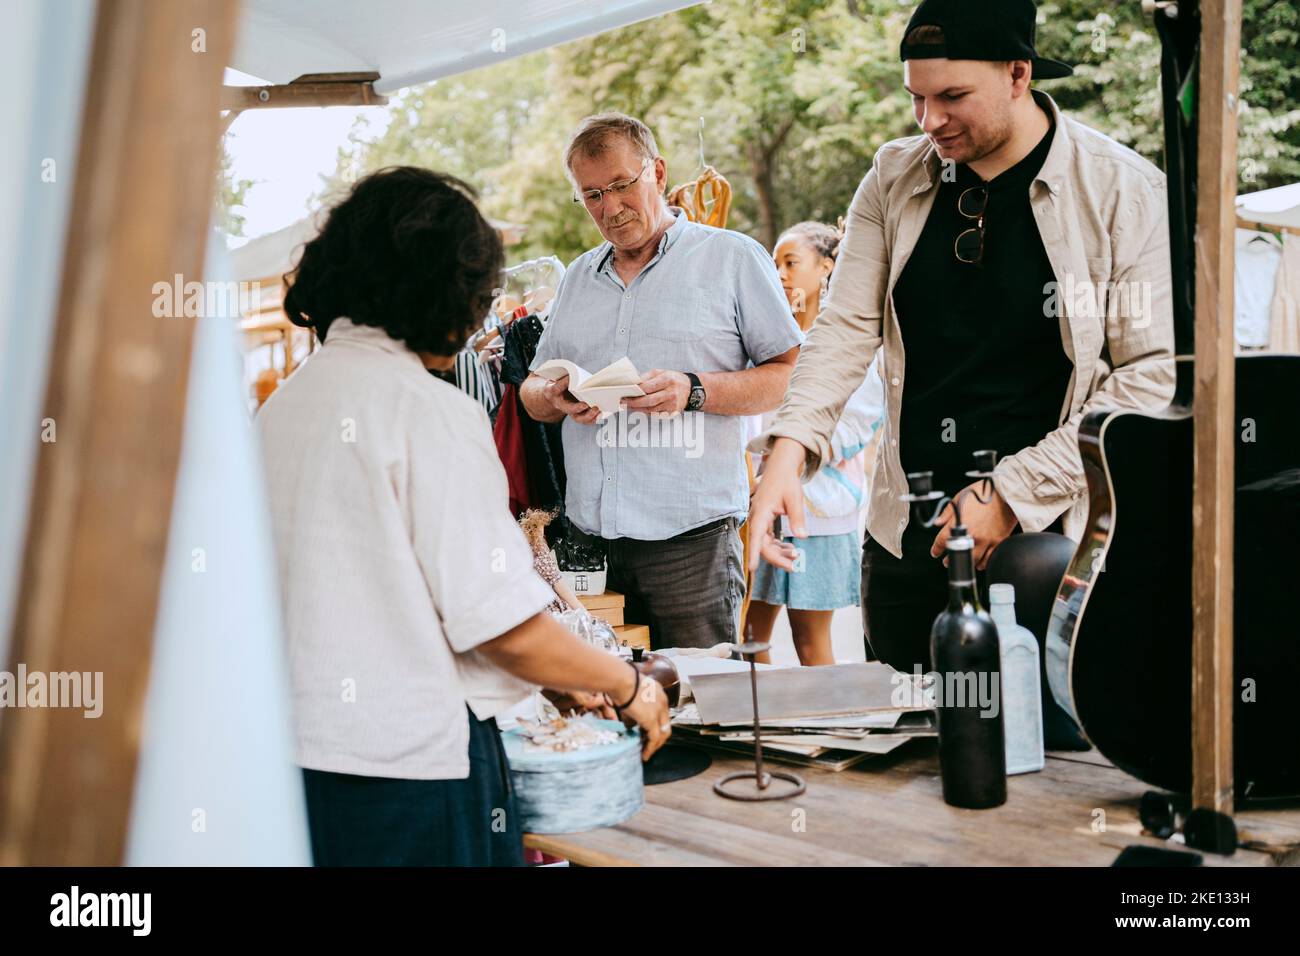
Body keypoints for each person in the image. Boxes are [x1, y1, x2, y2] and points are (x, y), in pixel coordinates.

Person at [257, 166, 669, 867]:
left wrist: (557, 673)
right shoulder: (428, 411)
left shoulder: (281, 409)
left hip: (290, 765)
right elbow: (501, 627)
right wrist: (625, 683)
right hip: (409, 774)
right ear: (453, 292)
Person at [748, 0, 1175, 674]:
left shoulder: (1123, 191)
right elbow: (844, 328)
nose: (929, 120)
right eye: (916, 97)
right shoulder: (893, 177)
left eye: (952, 97)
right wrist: (786, 453)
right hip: (903, 544)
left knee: (1042, 768)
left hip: (1050, 549)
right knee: (898, 764)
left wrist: (1011, 493)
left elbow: (1150, 376)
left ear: (1018, 73)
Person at [519, 113, 804, 649]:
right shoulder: (578, 276)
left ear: (658, 171)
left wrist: (694, 390)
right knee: (605, 708)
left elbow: (790, 376)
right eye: (592, 195)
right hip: (589, 547)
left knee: (699, 712)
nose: (610, 207)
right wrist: (554, 395)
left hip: (690, 546)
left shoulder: (732, 257)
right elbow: (531, 392)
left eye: (622, 185)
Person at [747, 222, 884, 665]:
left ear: (827, 267)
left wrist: (787, 457)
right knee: (749, 638)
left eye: (791, 262)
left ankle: (826, 734)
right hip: (760, 514)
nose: (780, 274)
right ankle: (758, 731)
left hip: (818, 521)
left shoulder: (849, 346)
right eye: (774, 265)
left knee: (810, 643)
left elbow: (853, 427)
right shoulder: (766, 344)